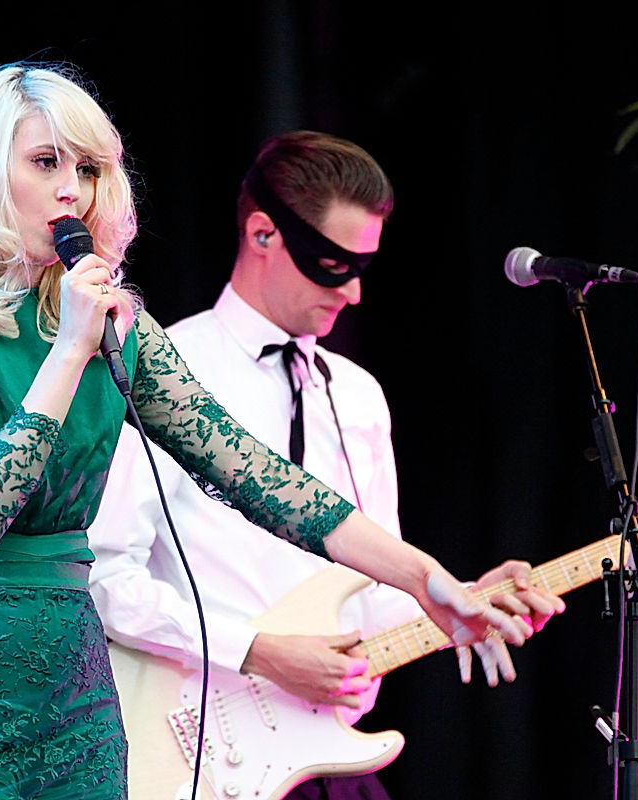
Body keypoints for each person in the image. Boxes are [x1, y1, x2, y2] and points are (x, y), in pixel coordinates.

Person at [0, 65, 537, 800]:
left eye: (88, 169)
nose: (72, 191)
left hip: (73, 695)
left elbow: (261, 476)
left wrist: (426, 578)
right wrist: (69, 350)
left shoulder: (115, 325)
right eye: (46, 162)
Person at [87, 131, 565, 800]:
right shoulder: (167, 372)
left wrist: (463, 600)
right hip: (203, 756)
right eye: (333, 264)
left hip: (328, 758)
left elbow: (376, 599)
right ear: (262, 234)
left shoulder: (359, 395)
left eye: (363, 266)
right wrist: (258, 652)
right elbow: (105, 578)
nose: (355, 292)